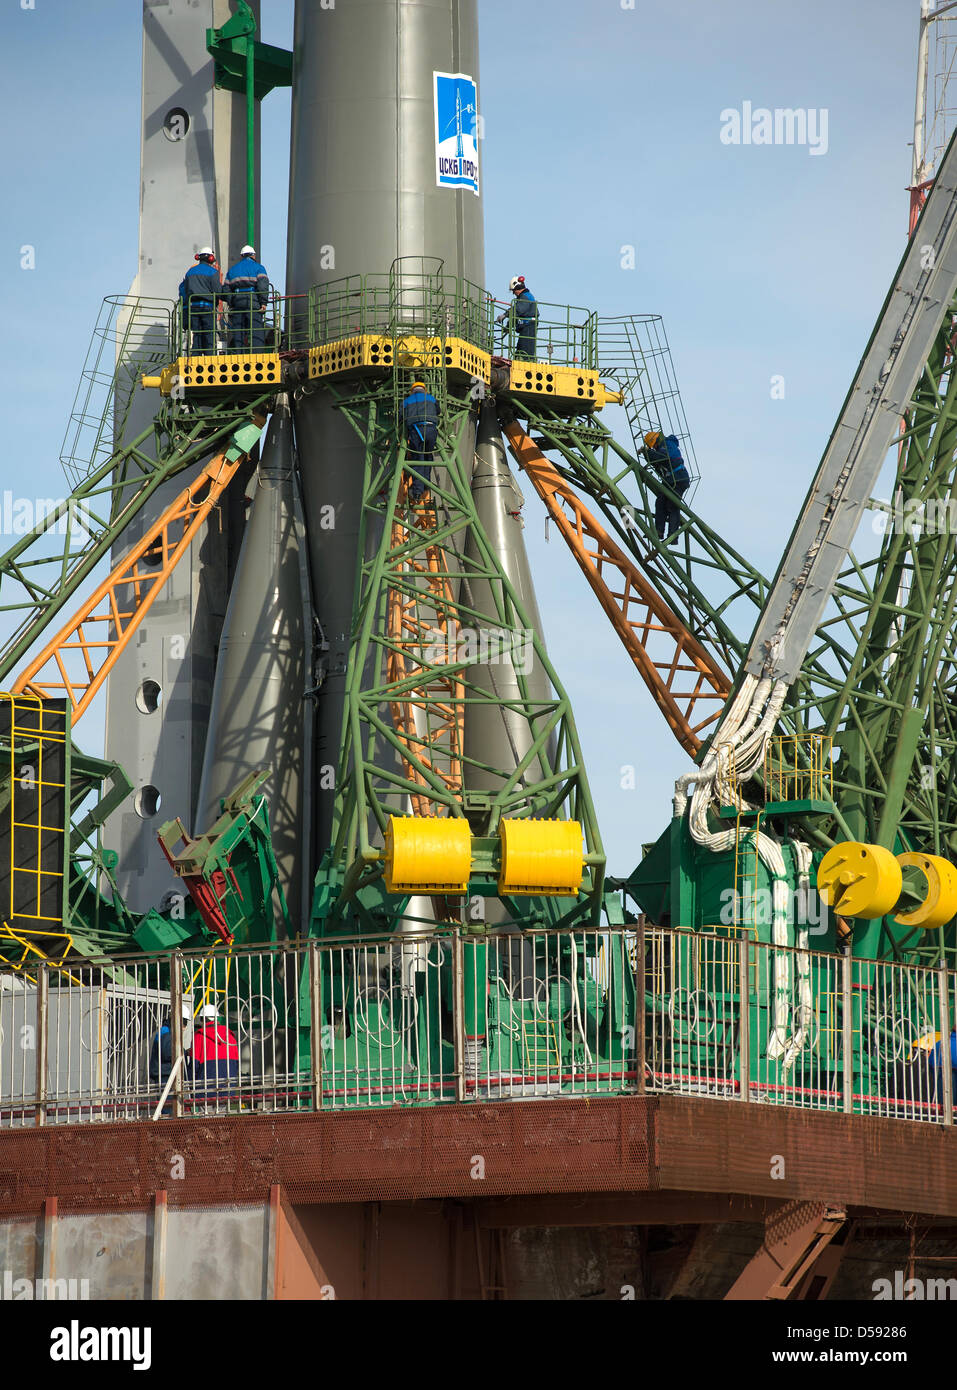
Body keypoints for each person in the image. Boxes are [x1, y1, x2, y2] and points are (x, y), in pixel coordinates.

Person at [641, 430, 691, 541]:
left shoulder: (668, 444)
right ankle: (658, 531)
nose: (654, 447)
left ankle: (673, 535)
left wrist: (648, 452)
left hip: (678, 478)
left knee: (672, 505)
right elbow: (656, 461)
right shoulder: (661, 447)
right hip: (671, 480)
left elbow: (663, 457)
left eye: (654, 445)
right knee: (660, 503)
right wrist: (647, 454)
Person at [224, 244, 270, 351]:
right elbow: (263, 286)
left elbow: (226, 289)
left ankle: (239, 353)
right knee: (256, 330)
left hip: (238, 304)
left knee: (238, 330)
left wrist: (232, 303)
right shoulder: (259, 268)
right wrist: (263, 303)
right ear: (253, 255)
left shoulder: (232, 270)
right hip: (253, 303)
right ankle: (257, 354)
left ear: (242, 256)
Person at [191, 1003, 240, 1102]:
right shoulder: (230, 1037)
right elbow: (236, 1065)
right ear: (217, 1019)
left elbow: (193, 1067)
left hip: (205, 1091)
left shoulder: (199, 1037)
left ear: (202, 1019)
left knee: (206, 1117)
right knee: (221, 1117)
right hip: (227, 1089)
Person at [178, 247, 222, 354]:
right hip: (208, 308)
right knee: (209, 334)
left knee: (197, 334)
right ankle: (209, 359)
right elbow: (218, 291)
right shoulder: (213, 272)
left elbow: (186, 290)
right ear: (211, 258)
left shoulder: (190, 272)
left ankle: (196, 356)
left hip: (193, 308)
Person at [148, 1005, 191, 1113]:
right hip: (166, 1077)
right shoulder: (166, 1033)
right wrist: (184, 1052)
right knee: (169, 1111)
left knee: (173, 1109)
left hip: (169, 1075)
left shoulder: (167, 1032)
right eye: (184, 1022)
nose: (185, 1027)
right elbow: (168, 1052)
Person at [401, 380, 440, 501]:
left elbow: (401, 415)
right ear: (425, 390)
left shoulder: (407, 401)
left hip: (416, 431)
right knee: (428, 457)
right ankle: (427, 486)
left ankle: (417, 492)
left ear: (412, 391)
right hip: (431, 430)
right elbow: (438, 411)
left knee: (418, 459)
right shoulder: (432, 398)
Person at [499, 275, 538, 359]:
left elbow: (518, 310)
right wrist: (508, 326)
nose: (513, 293)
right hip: (525, 328)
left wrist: (505, 315)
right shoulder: (525, 297)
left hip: (528, 327)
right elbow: (517, 315)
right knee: (520, 352)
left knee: (525, 353)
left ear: (517, 288)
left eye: (513, 291)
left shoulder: (525, 297)